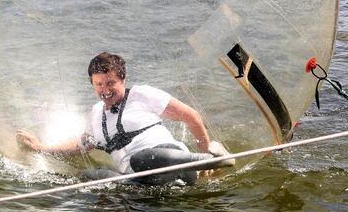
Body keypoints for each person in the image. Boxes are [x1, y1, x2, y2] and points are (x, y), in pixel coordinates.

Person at [16, 52, 234, 185]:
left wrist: (206, 151)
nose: (105, 90)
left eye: (110, 83)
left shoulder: (141, 95)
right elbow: (80, 144)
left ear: (123, 79)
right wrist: (41, 148)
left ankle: (213, 159)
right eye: (99, 85)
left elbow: (190, 116)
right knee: (93, 175)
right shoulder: (96, 115)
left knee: (140, 159)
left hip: (173, 162)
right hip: (140, 180)